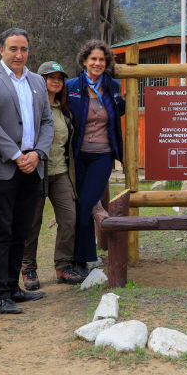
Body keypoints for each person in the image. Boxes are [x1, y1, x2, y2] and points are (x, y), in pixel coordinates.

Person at [0, 28, 53, 314]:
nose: (19, 54)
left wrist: (38, 154)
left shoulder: (37, 81)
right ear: (1, 50)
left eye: (24, 49)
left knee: (21, 230)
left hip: (32, 167)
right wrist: (17, 155)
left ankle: (13, 287)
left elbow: (47, 123)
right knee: (2, 230)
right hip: (0, 169)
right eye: (13, 48)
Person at [21, 61, 86, 287]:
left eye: (60, 77)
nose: (56, 80)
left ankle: (63, 266)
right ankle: (28, 270)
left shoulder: (64, 110)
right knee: (32, 223)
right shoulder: (30, 107)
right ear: (40, 80)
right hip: (36, 173)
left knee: (69, 219)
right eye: (51, 77)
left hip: (60, 173)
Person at [66, 40, 126, 272]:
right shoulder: (71, 86)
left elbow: (118, 111)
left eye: (102, 59)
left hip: (102, 155)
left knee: (88, 203)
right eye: (93, 59)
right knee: (77, 206)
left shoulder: (112, 87)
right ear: (84, 61)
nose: (98, 63)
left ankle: (84, 259)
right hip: (77, 155)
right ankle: (77, 257)